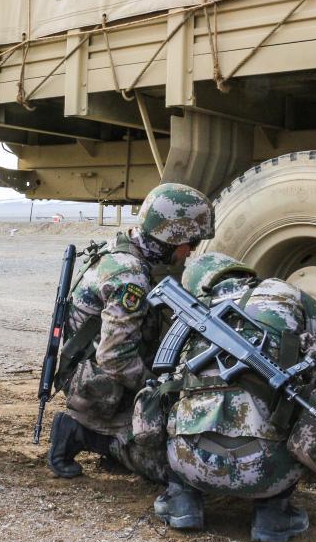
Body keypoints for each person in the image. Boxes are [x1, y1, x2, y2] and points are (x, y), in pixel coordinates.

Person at [152, 252, 316, 542]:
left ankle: (182, 501)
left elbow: (162, 377)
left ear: (202, 285)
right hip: (268, 472)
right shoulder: (291, 296)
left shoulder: (202, 306)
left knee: (161, 390)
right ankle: (273, 514)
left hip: (189, 463)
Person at [46, 182, 214, 485]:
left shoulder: (128, 251)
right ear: (170, 236)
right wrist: (159, 389)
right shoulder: (130, 276)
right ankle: (83, 433)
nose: (190, 251)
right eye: (189, 242)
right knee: (177, 469)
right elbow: (114, 358)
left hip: (101, 378)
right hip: (100, 390)